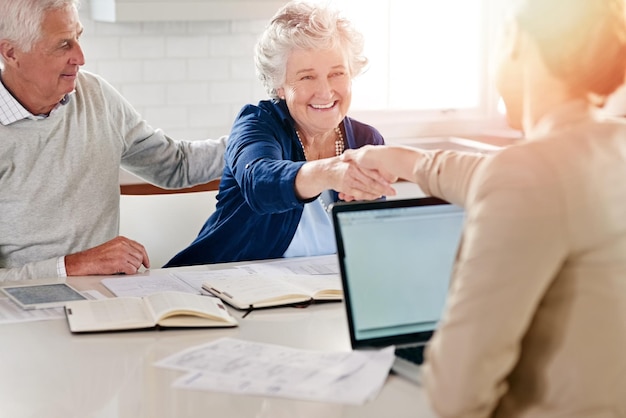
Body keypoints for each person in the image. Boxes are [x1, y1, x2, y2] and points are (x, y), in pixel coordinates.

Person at [343, 0, 626, 416]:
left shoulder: (531, 177)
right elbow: (500, 177)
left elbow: (456, 394)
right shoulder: (607, 147)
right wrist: (409, 162)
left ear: (515, 41)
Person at [0, 0, 227, 281]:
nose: (80, 57)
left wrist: (259, 140)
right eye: (63, 45)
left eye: (78, 37)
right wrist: (72, 266)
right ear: (11, 52)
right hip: (19, 311)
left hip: (104, 299)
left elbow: (176, 165)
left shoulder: (95, 95)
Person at [164, 1, 395, 267]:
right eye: (307, 77)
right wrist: (328, 172)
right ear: (280, 86)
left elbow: (369, 243)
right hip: (224, 284)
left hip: (322, 294)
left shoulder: (368, 141)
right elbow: (261, 183)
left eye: (337, 73)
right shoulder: (257, 125)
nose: (325, 91)